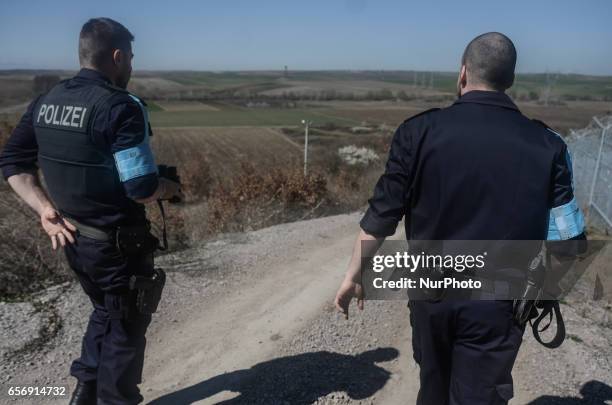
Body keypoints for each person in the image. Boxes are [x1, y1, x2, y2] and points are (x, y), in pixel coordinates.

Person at [334, 32, 586, 405]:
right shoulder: (548, 145)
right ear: (510, 80)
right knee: (480, 395)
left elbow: (380, 218)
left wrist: (354, 276)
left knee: (433, 386)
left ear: (463, 73)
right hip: (500, 300)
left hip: (430, 294)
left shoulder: (416, 133)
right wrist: (541, 291)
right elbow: (568, 241)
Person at [0, 18, 182, 405]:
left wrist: (43, 208)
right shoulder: (121, 107)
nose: (132, 66)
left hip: (71, 237)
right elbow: (140, 188)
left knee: (105, 310)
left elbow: (13, 163)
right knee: (126, 328)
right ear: (117, 57)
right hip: (116, 246)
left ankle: (84, 393)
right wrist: (169, 188)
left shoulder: (47, 100)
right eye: (130, 57)